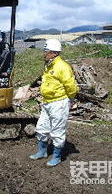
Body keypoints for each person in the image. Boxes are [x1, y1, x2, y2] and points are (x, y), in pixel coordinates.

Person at [29, 39, 78, 167]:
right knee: (41, 128)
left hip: (59, 102)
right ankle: (42, 151)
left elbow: (71, 86)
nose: (43, 53)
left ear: (54, 52)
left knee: (57, 131)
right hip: (47, 102)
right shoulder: (49, 65)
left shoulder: (62, 67)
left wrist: (71, 99)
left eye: (46, 51)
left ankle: (57, 156)